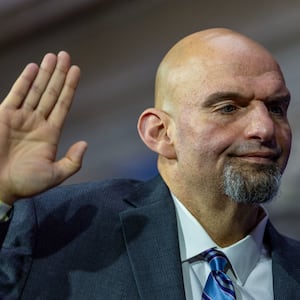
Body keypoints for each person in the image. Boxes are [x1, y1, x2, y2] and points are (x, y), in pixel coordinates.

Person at [0, 28, 299, 300]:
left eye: (275, 108)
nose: (264, 128)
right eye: (228, 108)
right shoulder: (59, 230)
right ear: (160, 133)